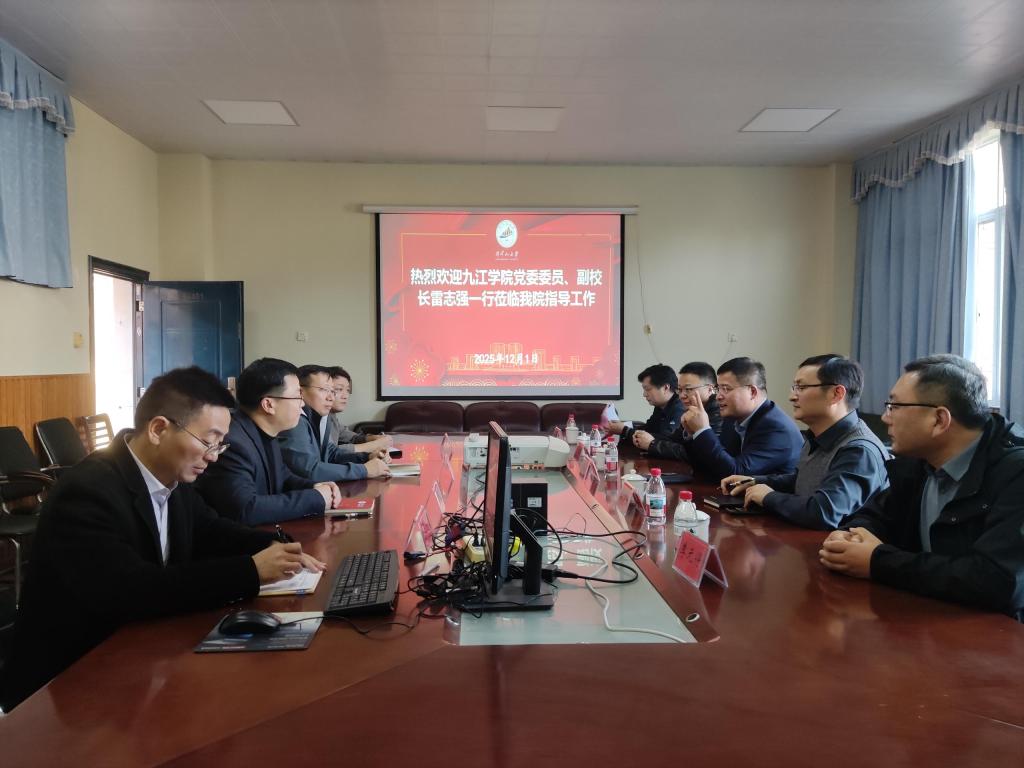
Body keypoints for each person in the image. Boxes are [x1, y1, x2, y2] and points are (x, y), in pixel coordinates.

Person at [0, 367, 326, 712]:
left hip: (137, 652)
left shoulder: (172, 476)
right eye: (208, 441)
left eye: (220, 443)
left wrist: (273, 545)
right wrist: (250, 571)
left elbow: (210, 528)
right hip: (67, 683)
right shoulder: (87, 491)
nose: (214, 455)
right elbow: (133, 588)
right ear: (158, 429)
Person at [819, 354, 1024, 621]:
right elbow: (876, 515)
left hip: (994, 634)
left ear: (939, 420)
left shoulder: (1015, 473)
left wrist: (877, 561)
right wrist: (850, 536)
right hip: (925, 617)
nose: (885, 417)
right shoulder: (920, 461)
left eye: (894, 406)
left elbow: (995, 580)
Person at [721, 355, 889, 529]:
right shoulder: (817, 435)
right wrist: (756, 481)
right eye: (794, 387)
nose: (792, 397)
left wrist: (768, 497)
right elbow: (803, 480)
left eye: (801, 387)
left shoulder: (859, 450)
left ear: (836, 394)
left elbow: (824, 512)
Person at [195, 358, 341, 524]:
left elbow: (283, 477)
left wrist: (315, 487)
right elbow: (245, 509)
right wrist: (315, 498)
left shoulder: (264, 431)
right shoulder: (233, 442)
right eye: (297, 396)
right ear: (268, 405)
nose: (302, 404)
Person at [682, 357, 803, 481]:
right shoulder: (733, 418)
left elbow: (737, 475)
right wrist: (694, 434)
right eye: (718, 389)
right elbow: (711, 466)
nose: (718, 396)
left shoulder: (776, 428)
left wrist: (702, 430)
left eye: (726, 389)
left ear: (752, 392)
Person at [278, 365, 391, 483]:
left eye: (332, 391)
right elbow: (309, 471)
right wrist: (364, 470)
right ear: (300, 391)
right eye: (324, 389)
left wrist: (367, 457)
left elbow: (331, 454)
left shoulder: (322, 417)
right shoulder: (295, 421)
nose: (331, 397)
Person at [633, 361, 722, 459]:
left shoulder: (719, 412)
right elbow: (674, 439)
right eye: (679, 390)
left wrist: (652, 444)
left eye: (688, 389)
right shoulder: (691, 409)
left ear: (710, 389)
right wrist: (641, 436)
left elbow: (697, 454)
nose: (682, 396)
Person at [607, 363, 685, 443]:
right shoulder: (660, 406)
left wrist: (625, 430)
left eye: (648, 389)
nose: (644, 394)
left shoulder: (680, 408)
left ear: (665, 387)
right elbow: (648, 429)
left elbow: (667, 440)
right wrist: (622, 427)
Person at [325, 366, 391, 453]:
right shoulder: (316, 418)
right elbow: (329, 452)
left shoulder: (331, 416)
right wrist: (374, 445)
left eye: (348, 390)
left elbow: (351, 437)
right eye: (339, 389)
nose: (345, 396)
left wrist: (373, 438)